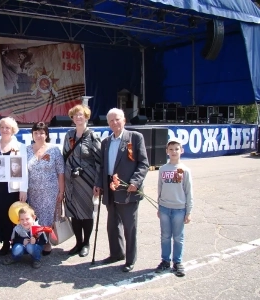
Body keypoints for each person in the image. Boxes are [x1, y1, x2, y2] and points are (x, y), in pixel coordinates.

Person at [94, 108, 149, 272]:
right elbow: (102, 166)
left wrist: (135, 182)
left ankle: (130, 260)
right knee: (112, 225)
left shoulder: (135, 138)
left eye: (117, 119)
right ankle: (116, 253)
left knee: (129, 227)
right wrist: (99, 184)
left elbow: (144, 163)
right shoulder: (106, 142)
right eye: (110, 121)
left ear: (124, 120)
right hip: (110, 188)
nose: (114, 123)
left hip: (128, 189)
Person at [0, 117, 28, 255]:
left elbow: (24, 169)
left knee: (13, 216)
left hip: (13, 188)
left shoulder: (20, 147)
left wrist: (23, 189)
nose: (4, 130)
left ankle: (15, 242)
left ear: (13, 130)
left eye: (7, 127)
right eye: (2, 127)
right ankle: (4, 243)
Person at [63, 105, 101, 257]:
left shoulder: (92, 136)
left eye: (81, 115)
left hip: (87, 180)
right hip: (70, 180)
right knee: (73, 212)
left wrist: (98, 183)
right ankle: (78, 243)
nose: (78, 117)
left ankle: (86, 243)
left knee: (85, 212)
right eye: (75, 115)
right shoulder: (69, 135)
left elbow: (99, 161)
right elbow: (64, 156)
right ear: (72, 118)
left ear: (86, 117)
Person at [155, 138, 193, 277]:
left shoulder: (185, 170)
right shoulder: (163, 169)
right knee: (165, 236)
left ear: (181, 151)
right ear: (167, 152)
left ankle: (177, 262)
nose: (174, 151)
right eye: (171, 149)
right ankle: (165, 261)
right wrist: (159, 206)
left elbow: (189, 192)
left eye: (176, 149)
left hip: (179, 209)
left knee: (178, 237)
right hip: (165, 208)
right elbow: (160, 187)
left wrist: (188, 211)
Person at [27, 122, 65, 255]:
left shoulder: (54, 150)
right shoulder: (26, 149)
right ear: (32, 134)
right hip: (32, 191)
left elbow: (61, 172)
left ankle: (47, 242)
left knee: (48, 218)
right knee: (34, 217)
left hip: (51, 191)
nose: (39, 135)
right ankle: (36, 240)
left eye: (42, 132)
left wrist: (61, 191)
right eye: (36, 132)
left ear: (46, 134)